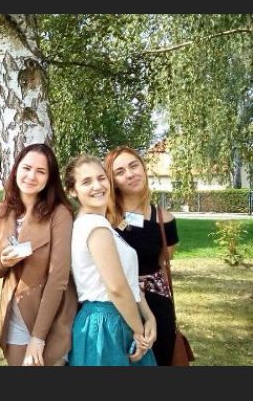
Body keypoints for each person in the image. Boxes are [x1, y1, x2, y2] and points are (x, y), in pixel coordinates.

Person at [0, 143, 77, 366]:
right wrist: (4, 262)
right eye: (26, 168)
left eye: (41, 171)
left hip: (51, 316)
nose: (31, 176)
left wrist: (38, 337)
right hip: (15, 315)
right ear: (16, 169)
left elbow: (58, 278)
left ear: (49, 178)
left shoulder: (59, 214)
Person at [64, 155, 157, 366]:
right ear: (72, 190)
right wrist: (139, 332)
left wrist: (149, 316)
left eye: (101, 178)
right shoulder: (95, 227)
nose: (97, 186)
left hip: (121, 316)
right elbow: (116, 287)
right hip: (107, 324)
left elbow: (128, 281)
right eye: (86, 182)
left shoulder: (99, 223)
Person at [104, 146, 179, 366]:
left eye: (133, 166)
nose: (130, 174)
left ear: (144, 169)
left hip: (157, 305)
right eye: (120, 171)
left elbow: (163, 264)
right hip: (117, 306)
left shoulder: (165, 220)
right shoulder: (105, 218)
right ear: (112, 180)